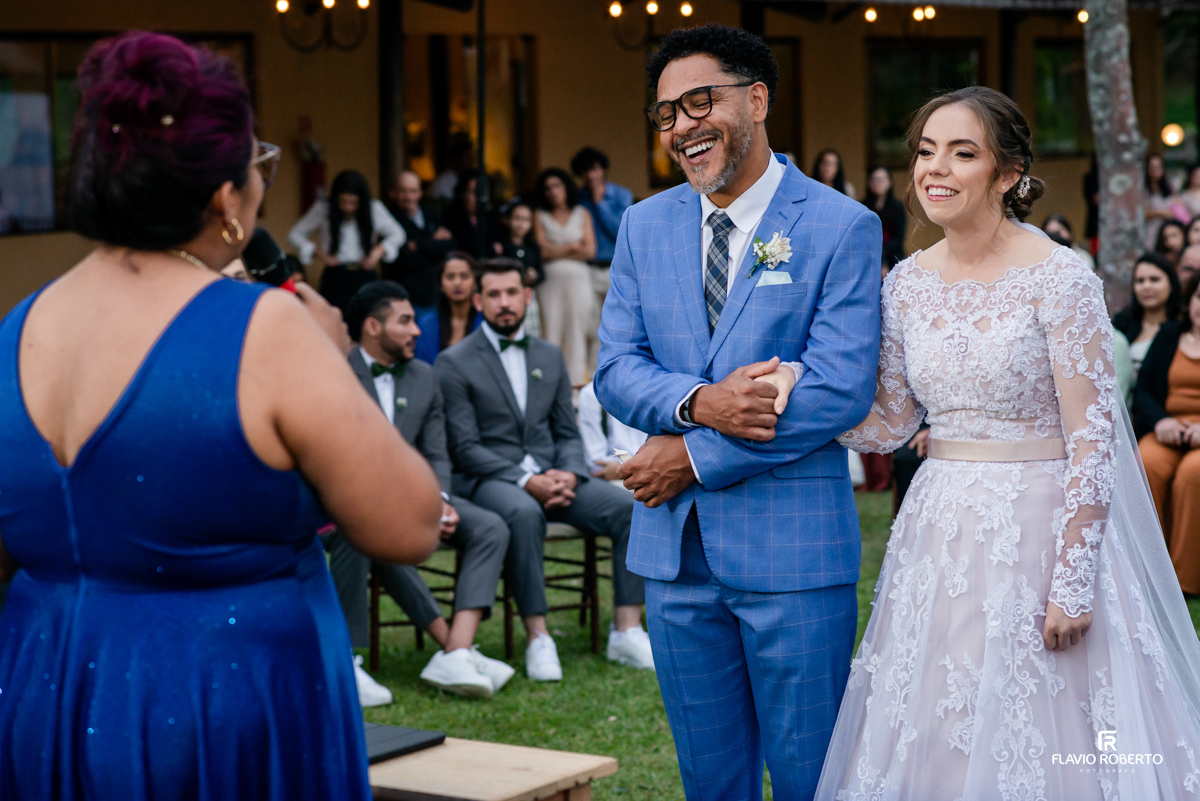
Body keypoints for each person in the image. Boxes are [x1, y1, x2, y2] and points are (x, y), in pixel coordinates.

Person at [0, 31, 442, 798]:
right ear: (225, 198)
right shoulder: (264, 331)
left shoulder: (16, 329)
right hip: (223, 703)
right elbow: (407, 523)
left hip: (47, 688)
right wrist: (336, 357)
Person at [812, 85, 1200, 799]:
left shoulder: (1059, 277)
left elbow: (1093, 435)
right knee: (939, 711)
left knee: (1057, 722)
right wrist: (797, 395)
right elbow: (891, 421)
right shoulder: (904, 285)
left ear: (1009, 172)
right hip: (939, 531)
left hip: (1040, 526)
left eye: (963, 153)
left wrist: (1075, 577)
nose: (936, 169)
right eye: (927, 151)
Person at [595, 25, 882, 799]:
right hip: (675, 557)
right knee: (708, 779)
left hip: (793, 555)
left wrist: (688, 454)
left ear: (756, 99)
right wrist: (699, 403)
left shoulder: (841, 225)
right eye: (665, 114)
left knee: (807, 776)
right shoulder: (643, 225)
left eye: (700, 102)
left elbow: (838, 388)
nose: (682, 126)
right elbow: (616, 368)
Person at [436, 259, 654, 681]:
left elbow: (566, 431)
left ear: (526, 296)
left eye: (511, 293)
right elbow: (463, 447)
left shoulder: (549, 355)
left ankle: (626, 628)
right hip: (491, 480)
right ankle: (539, 635)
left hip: (558, 477)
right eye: (494, 295)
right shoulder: (454, 362)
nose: (504, 303)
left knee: (631, 507)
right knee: (522, 511)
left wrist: (571, 472)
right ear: (479, 300)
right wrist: (526, 480)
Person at [330, 281, 515, 700]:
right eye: (405, 321)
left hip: (413, 501)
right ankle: (346, 662)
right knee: (363, 529)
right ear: (373, 326)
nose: (417, 331)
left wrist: (440, 501)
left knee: (490, 527)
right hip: (347, 504)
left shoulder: (424, 377)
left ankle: (457, 647)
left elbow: (436, 453)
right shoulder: (336, 372)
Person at [1134, 272, 1200, 595]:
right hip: (1168, 429)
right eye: (1199, 297)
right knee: (1145, 464)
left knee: (1193, 474)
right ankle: (1148, 573)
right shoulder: (1168, 335)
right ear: (1190, 301)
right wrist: (1161, 421)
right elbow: (1143, 389)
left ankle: (1185, 581)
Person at [288, 169, 407, 313]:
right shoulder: (324, 208)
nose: (348, 207)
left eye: (353, 202)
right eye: (343, 202)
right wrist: (320, 254)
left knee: (366, 318)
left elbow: (398, 234)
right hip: (336, 276)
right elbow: (295, 234)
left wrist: (377, 252)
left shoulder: (374, 208)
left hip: (364, 273)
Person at [532, 167, 597, 386]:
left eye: (557, 186)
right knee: (550, 327)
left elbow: (589, 251)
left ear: (566, 187)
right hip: (550, 283)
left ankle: (576, 383)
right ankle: (551, 382)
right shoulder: (539, 216)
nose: (553, 191)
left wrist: (555, 250)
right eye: (547, 188)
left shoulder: (582, 214)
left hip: (579, 281)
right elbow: (541, 252)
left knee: (577, 330)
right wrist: (572, 246)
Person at [572, 146, 635, 368]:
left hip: (614, 267)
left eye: (595, 169)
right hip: (586, 269)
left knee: (615, 325)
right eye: (585, 171)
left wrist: (600, 204)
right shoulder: (578, 198)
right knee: (589, 324)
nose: (591, 175)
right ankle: (589, 376)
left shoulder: (621, 195)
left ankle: (611, 370)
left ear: (603, 170)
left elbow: (620, 231)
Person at [383, 170, 457, 310]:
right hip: (407, 296)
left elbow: (450, 245)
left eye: (413, 191)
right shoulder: (389, 219)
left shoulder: (431, 215)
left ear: (420, 193)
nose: (408, 196)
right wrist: (432, 243)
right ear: (393, 193)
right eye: (403, 191)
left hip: (435, 294)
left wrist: (418, 245)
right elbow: (403, 260)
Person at [1112, 251, 1182, 382]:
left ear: (1171, 283)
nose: (1146, 286)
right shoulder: (1122, 322)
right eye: (1140, 281)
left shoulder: (1182, 326)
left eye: (1154, 279)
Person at [414, 252, 484, 365]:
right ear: (441, 284)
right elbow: (424, 367)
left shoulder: (486, 321)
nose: (457, 283)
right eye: (450, 277)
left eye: (464, 276)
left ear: (475, 283)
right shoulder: (427, 324)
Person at [577, 380, 647, 482]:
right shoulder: (592, 394)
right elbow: (596, 464)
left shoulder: (654, 390)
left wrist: (622, 467)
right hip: (614, 482)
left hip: (656, 474)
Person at [497, 199, 544, 338]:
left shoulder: (533, 248)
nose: (521, 224)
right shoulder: (501, 246)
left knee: (529, 332)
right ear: (507, 220)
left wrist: (534, 276)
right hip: (506, 295)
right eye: (517, 218)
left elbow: (541, 273)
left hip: (527, 296)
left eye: (526, 220)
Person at [442, 169, 499, 259]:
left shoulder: (490, 218)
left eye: (483, 193)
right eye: (474, 192)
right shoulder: (452, 218)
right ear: (463, 194)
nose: (479, 199)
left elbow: (500, 245)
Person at [864, 165, 906, 268]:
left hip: (893, 257)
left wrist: (884, 259)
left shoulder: (897, 207)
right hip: (868, 256)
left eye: (881, 179)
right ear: (869, 183)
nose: (877, 183)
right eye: (874, 179)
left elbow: (898, 238)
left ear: (889, 182)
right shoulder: (863, 207)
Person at [1145, 152, 1175, 250]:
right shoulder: (1143, 190)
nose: (1156, 170)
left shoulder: (1167, 188)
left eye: (1159, 166)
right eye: (1152, 167)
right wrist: (1161, 213)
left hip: (1167, 232)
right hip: (1150, 232)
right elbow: (1141, 213)